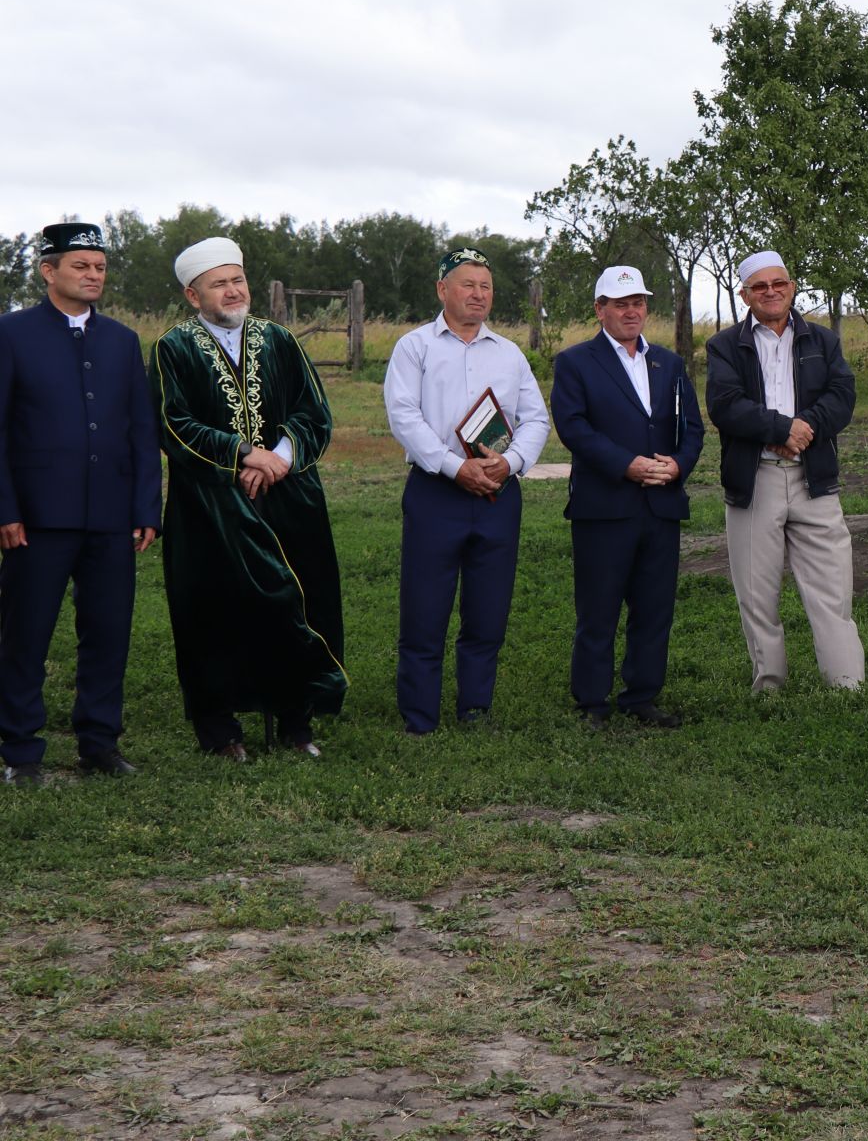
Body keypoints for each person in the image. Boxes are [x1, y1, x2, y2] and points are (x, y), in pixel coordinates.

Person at [151, 236, 346, 760]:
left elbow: (314, 412)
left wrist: (278, 456)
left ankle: (295, 722)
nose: (233, 291)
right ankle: (220, 731)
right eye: (220, 284)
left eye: (238, 280)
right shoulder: (173, 347)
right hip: (210, 504)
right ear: (194, 296)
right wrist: (241, 454)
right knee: (212, 610)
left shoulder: (281, 340)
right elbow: (174, 423)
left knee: (295, 600)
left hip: (288, 495)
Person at [0, 224, 161, 785]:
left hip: (112, 517)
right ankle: (21, 751)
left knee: (109, 632)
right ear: (49, 271)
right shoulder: (12, 334)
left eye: (100, 267)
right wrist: (5, 509)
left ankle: (100, 744)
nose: (94, 276)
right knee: (25, 635)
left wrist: (145, 508)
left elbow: (142, 429)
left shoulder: (121, 340)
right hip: (37, 518)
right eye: (81, 267)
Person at [383, 247, 549, 734]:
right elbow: (404, 416)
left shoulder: (510, 353)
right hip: (438, 492)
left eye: (486, 287)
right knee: (425, 609)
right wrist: (456, 468)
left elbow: (536, 418)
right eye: (467, 285)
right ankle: (419, 716)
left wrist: (511, 461)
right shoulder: (415, 347)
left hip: (497, 494)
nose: (479, 295)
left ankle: (475, 708)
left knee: (488, 609)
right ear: (442, 290)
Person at [551, 266, 704, 729]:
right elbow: (574, 427)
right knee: (598, 609)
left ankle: (641, 695)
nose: (631, 311)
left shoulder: (669, 364)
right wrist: (627, 464)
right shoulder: (576, 362)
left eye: (637, 302)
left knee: (654, 608)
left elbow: (692, 428)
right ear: (600, 310)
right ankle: (592, 701)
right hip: (605, 505)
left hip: (661, 504)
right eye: (620, 304)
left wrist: (678, 464)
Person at [705, 250, 863, 692]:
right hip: (755, 480)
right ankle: (769, 685)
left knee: (832, 588)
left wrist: (802, 429)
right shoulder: (724, 345)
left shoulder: (822, 340)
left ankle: (847, 687)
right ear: (745, 295)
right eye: (760, 286)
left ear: (792, 287)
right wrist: (778, 428)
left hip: (814, 479)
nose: (771, 292)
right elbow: (724, 404)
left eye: (779, 283)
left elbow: (842, 395)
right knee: (756, 594)